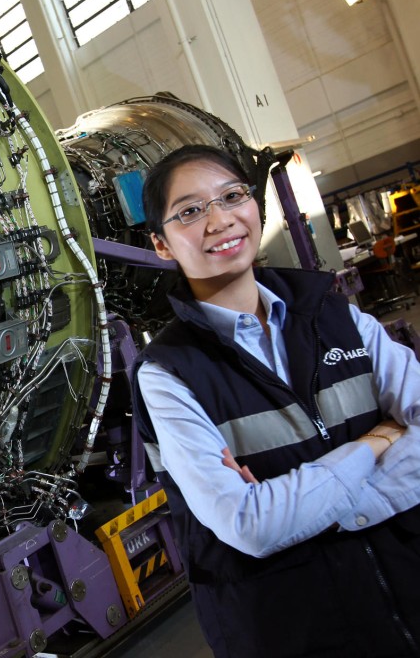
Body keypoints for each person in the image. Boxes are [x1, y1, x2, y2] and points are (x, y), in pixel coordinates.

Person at [131, 144, 420, 657]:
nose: (219, 219)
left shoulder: (339, 318)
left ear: (254, 207)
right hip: (294, 628)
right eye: (191, 211)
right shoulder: (168, 375)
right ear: (162, 244)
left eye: (232, 195)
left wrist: (305, 509)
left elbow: (271, 516)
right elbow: (251, 525)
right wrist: (377, 440)